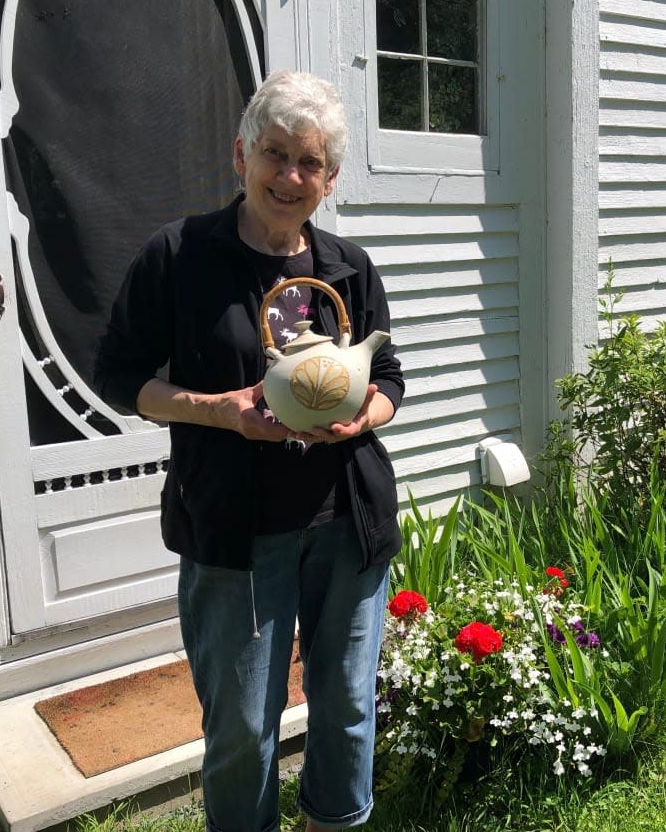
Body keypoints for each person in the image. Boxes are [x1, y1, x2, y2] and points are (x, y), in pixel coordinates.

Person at [93, 69, 404, 832]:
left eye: (309, 162)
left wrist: (366, 413)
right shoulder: (181, 256)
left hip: (346, 524)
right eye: (274, 154)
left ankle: (331, 822)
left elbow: (388, 377)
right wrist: (220, 412)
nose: (289, 176)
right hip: (235, 535)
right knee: (240, 728)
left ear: (330, 178)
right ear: (241, 156)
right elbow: (119, 376)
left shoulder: (347, 267)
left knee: (349, 708)